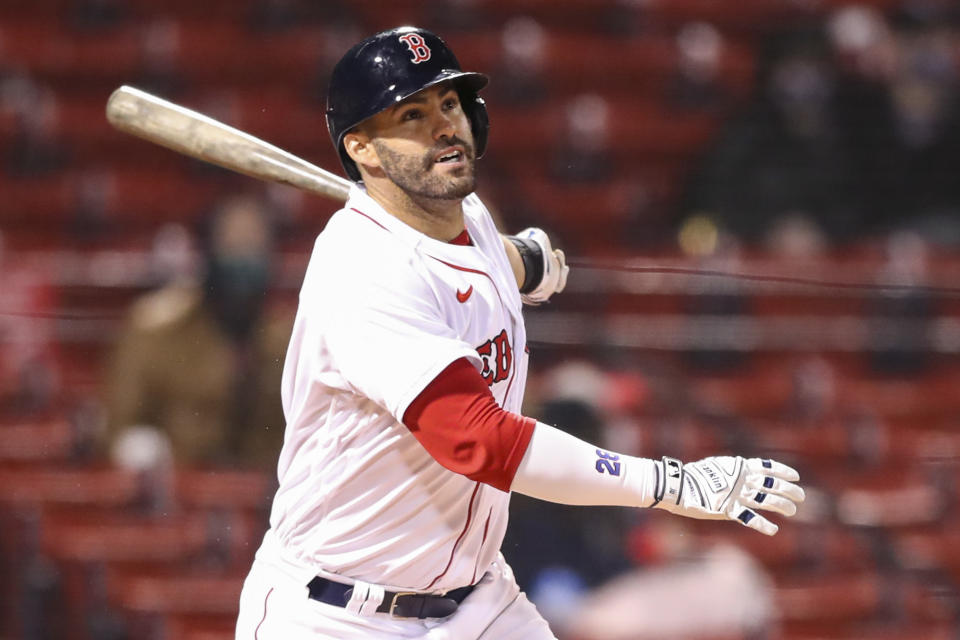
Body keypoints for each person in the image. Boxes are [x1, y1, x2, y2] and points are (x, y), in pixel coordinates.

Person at [235, 26, 805, 640]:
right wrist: (671, 483)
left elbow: (465, 257)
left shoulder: (468, 216)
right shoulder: (362, 269)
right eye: (412, 114)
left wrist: (523, 261)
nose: (443, 126)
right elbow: (481, 443)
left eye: (449, 104)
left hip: (477, 599)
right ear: (365, 150)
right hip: (338, 614)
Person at [105, 194, 291, 470]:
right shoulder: (156, 328)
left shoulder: (285, 340)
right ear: (209, 251)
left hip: (262, 496)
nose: (245, 260)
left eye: (254, 247)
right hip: (178, 490)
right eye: (234, 246)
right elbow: (119, 427)